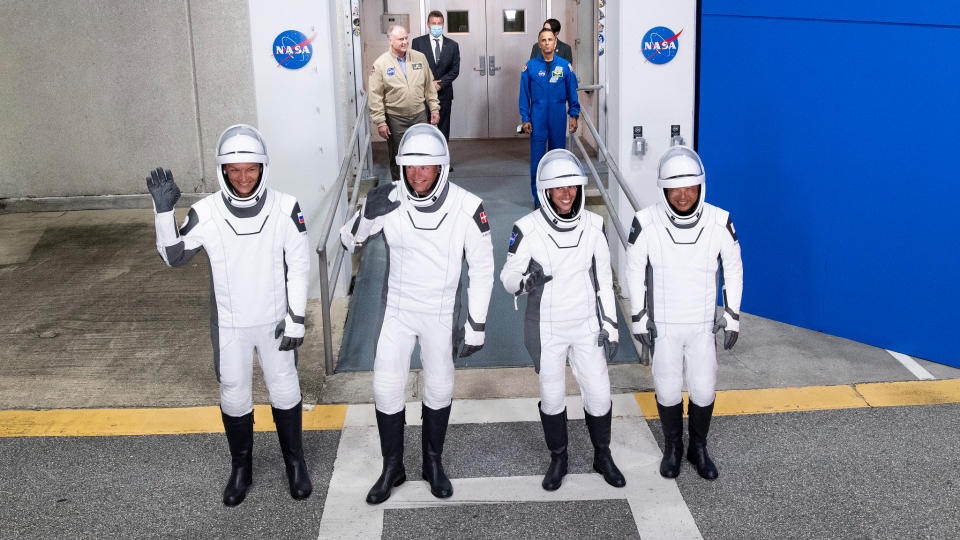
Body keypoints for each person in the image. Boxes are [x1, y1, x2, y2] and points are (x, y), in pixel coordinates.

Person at [145, 124, 312, 506]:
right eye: (233, 170)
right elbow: (173, 256)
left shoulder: (286, 206)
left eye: (250, 168)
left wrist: (297, 317)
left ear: (263, 167)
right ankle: (241, 468)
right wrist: (163, 212)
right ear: (222, 171)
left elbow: (299, 266)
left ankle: (295, 463)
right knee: (234, 397)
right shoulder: (206, 212)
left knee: (285, 389)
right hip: (230, 325)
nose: (242, 177)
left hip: (275, 323)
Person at [339, 124, 493, 504]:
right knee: (385, 387)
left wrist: (476, 324)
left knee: (440, 385)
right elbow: (348, 240)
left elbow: (483, 267)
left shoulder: (468, 207)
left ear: (441, 167)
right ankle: (392, 466)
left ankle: (432, 462)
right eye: (410, 167)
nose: (417, 175)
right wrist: (365, 216)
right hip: (398, 310)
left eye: (426, 168)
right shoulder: (387, 198)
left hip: (440, 313)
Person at [499, 149, 625, 492]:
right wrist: (525, 283)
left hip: (586, 325)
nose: (567, 194)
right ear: (546, 192)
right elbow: (507, 276)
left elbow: (603, 280)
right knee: (552, 396)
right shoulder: (527, 229)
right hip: (547, 328)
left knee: (599, 394)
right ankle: (559, 458)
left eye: (571, 186)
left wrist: (611, 326)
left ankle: (603, 455)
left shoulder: (594, 225)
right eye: (559, 188)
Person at [625, 145, 743, 481]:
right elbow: (635, 270)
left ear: (701, 186)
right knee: (667, 390)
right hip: (663, 327)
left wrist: (732, 314)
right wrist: (639, 316)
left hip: (702, 326)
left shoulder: (720, 220)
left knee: (704, 390)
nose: (682, 195)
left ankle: (698, 447)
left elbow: (733, 267)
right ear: (663, 188)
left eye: (690, 186)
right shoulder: (645, 222)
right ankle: (673, 447)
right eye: (675, 187)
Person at [369, 25, 440, 181]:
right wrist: (380, 122)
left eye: (406, 38)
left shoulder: (419, 58)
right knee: (399, 156)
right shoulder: (380, 64)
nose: (405, 42)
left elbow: (429, 86)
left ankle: (421, 187)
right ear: (390, 40)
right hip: (395, 118)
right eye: (400, 39)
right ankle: (400, 188)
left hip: (419, 115)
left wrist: (434, 108)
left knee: (421, 153)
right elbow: (375, 96)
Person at [520, 29, 580, 207]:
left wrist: (574, 115)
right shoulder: (530, 67)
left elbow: (572, 93)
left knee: (557, 159)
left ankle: (556, 197)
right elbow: (524, 95)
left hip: (557, 115)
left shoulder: (565, 67)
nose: (547, 43)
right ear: (539, 44)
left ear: (555, 43)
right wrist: (525, 118)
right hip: (537, 115)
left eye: (550, 40)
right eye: (543, 40)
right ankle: (538, 198)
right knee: (537, 161)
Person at [411, 10, 461, 142]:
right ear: (428, 24)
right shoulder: (418, 43)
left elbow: (455, 70)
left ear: (443, 24)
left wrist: (440, 84)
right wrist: (429, 84)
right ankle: (427, 160)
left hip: (444, 94)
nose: (436, 26)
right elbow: (414, 68)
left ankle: (442, 160)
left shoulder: (452, 45)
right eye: (434, 23)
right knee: (424, 128)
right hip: (423, 94)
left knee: (444, 128)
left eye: (439, 23)